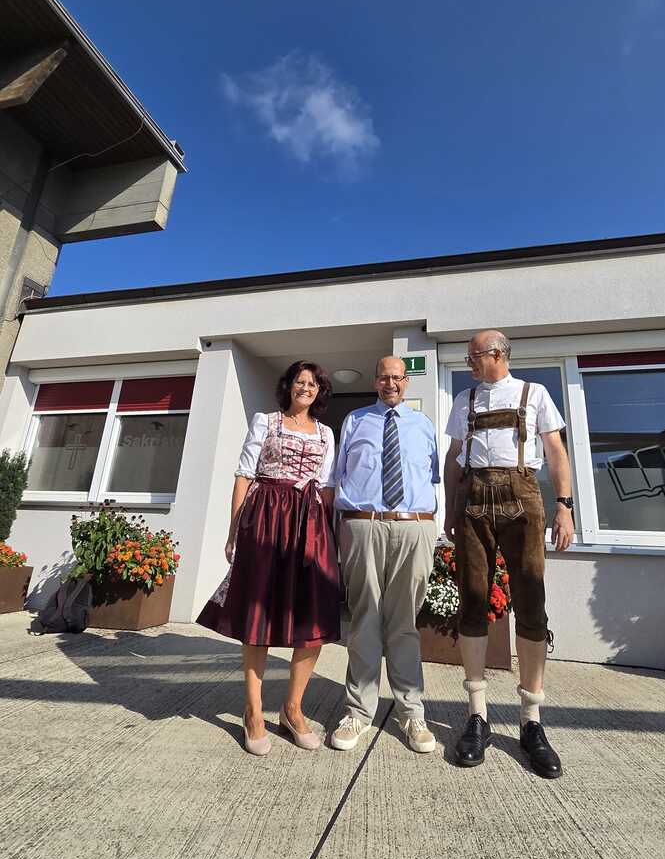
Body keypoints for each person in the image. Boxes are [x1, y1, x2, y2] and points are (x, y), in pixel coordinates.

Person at [443, 330, 574, 778]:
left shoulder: (533, 394)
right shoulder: (464, 399)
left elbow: (555, 450)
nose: (469, 363)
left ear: (497, 354)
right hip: (473, 498)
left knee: (531, 603)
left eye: (473, 356)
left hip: (523, 495)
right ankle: (477, 715)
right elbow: (455, 457)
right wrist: (450, 509)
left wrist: (564, 506)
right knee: (472, 600)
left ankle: (531, 721)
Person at [197, 361, 340, 756]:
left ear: (319, 391)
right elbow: (244, 476)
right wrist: (233, 531)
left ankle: (292, 709)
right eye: (299, 381)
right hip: (265, 518)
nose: (305, 388)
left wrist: (328, 536)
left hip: (309, 523)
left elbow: (327, 487)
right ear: (288, 386)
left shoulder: (326, 433)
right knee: (257, 615)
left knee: (313, 615)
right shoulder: (265, 421)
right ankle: (254, 711)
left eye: (312, 383)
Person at [331, 356, 440, 754]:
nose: (390, 383)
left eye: (397, 377)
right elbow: (338, 476)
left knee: (404, 623)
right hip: (364, 525)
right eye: (383, 377)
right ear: (375, 381)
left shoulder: (423, 424)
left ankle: (411, 712)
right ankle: (359, 712)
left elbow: (432, 477)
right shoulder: (355, 420)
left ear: (406, 381)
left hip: (414, 526)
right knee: (364, 620)